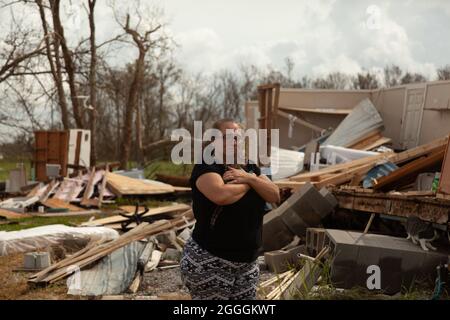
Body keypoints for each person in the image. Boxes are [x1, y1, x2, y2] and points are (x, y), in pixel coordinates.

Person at [180, 118, 280, 300]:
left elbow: (274, 195)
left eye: (238, 137)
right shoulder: (207, 166)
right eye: (228, 137)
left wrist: (249, 178)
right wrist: (251, 182)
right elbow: (222, 195)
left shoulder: (249, 167)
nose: (234, 142)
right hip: (211, 261)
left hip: (247, 264)